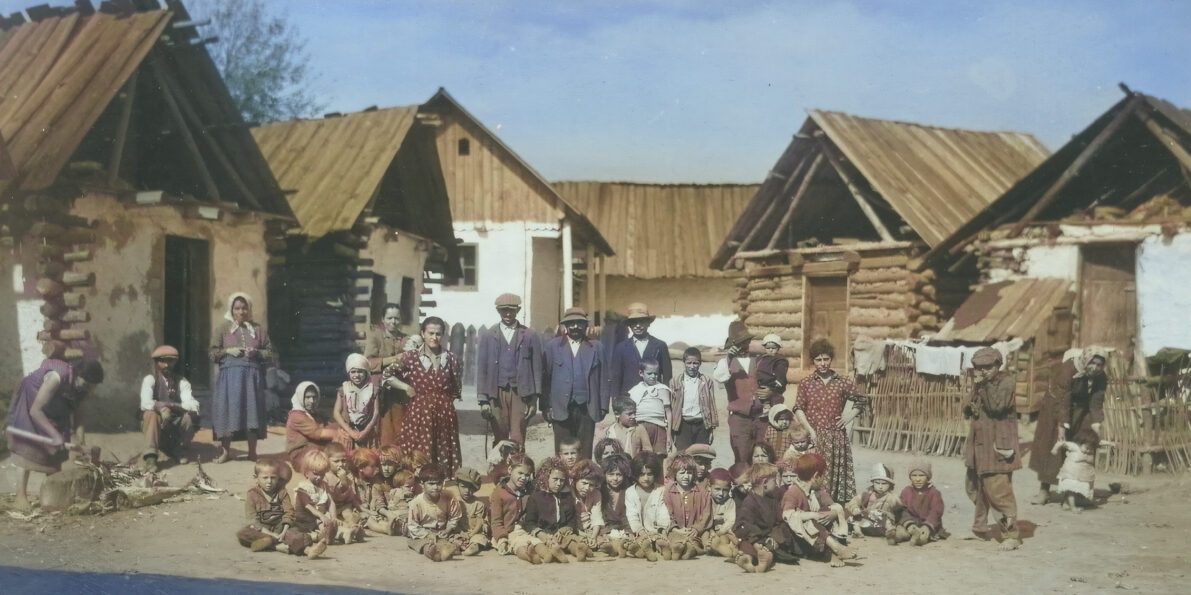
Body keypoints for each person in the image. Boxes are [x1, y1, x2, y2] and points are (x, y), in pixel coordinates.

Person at [6, 358, 104, 509]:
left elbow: (78, 414)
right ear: (77, 374)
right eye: (87, 385)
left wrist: (81, 441)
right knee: (27, 448)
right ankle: (20, 497)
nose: (89, 390)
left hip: (55, 405)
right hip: (33, 397)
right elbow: (35, 411)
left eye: (92, 387)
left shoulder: (83, 388)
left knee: (56, 450)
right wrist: (55, 436)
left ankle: (52, 495)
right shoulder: (57, 377)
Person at [386, 316, 464, 476]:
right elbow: (387, 375)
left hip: (444, 415)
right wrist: (405, 386)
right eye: (431, 333)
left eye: (438, 333)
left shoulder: (452, 359)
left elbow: (456, 388)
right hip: (418, 414)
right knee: (418, 451)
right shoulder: (410, 357)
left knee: (443, 451)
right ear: (423, 333)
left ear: (443, 335)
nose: (434, 337)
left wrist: (442, 403)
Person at [963, 347, 1023, 550]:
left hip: (997, 446)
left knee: (999, 492)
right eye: (979, 367)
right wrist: (970, 401)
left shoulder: (1006, 382)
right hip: (979, 446)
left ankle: (1011, 535)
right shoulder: (981, 383)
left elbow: (996, 407)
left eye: (987, 367)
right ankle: (980, 529)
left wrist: (984, 385)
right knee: (977, 489)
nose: (983, 371)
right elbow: (968, 409)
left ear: (998, 365)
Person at [1030, 350, 1107, 505]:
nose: (1096, 367)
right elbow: (1063, 398)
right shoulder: (1068, 369)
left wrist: (1097, 423)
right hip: (1055, 407)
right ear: (1086, 359)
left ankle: (1072, 492)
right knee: (1053, 446)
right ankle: (1044, 491)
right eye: (1093, 362)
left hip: (1080, 409)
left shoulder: (1101, 377)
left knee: (1080, 445)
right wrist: (1062, 425)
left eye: (1099, 364)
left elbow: (1097, 400)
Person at [794, 338, 863, 503]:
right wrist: (810, 430)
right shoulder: (806, 383)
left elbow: (861, 401)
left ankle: (833, 506)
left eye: (826, 359)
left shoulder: (842, 381)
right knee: (813, 472)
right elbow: (798, 408)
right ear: (813, 361)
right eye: (818, 360)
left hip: (836, 437)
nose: (823, 363)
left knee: (833, 474)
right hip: (814, 436)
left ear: (831, 359)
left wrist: (848, 417)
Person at [209, 292, 274, 463]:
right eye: (237, 308)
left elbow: (270, 353)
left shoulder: (259, 330)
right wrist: (227, 351)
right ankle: (225, 452)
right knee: (228, 412)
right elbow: (212, 353)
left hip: (252, 379)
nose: (241, 312)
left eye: (244, 308)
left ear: (249, 309)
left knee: (252, 413)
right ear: (232, 310)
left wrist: (257, 352)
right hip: (229, 379)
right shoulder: (222, 329)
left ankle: (252, 452)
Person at [477, 294, 544, 446]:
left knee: (517, 436)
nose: (507, 314)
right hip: (496, 392)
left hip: (521, 393)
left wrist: (534, 400)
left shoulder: (529, 335)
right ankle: (499, 469)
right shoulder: (488, 335)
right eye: (503, 310)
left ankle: (518, 468)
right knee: (499, 434)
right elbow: (482, 370)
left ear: (518, 310)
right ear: (498, 311)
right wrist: (483, 400)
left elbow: (537, 369)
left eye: (511, 310)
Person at [713, 321, 782, 463]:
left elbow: (775, 382)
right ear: (732, 344)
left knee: (763, 456)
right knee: (742, 457)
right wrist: (729, 358)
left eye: (746, 341)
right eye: (739, 342)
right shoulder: (724, 363)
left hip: (761, 417)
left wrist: (770, 392)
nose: (743, 345)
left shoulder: (758, 360)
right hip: (740, 418)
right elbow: (720, 377)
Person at [541, 307, 606, 459]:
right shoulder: (553, 346)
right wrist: (546, 406)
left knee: (584, 450)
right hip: (561, 407)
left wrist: (602, 406)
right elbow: (546, 379)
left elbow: (604, 378)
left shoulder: (596, 347)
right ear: (565, 325)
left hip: (587, 408)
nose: (575, 326)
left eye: (579, 323)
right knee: (563, 450)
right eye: (571, 323)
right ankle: (563, 480)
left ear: (585, 325)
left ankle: (583, 480)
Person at [781, 453, 856, 567]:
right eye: (822, 476)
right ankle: (835, 548)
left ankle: (835, 549)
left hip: (819, 535)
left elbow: (831, 504)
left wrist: (832, 513)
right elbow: (787, 515)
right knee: (805, 517)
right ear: (816, 476)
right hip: (800, 539)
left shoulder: (816, 491)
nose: (823, 479)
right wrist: (812, 515)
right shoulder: (793, 492)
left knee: (837, 509)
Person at [237, 460, 318, 557]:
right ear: (256, 478)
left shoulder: (282, 492)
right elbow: (251, 519)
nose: (269, 482)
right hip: (262, 529)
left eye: (273, 478)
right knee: (243, 533)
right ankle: (276, 546)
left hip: (280, 527)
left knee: (294, 533)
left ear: (278, 478)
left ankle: (308, 550)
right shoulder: (252, 494)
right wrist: (271, 534)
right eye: (265, 478)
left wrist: (284, 531)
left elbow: (289, 512)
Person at [139, 345, 198, 470]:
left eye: (170, 361)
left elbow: (193, 405)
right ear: (156, 363)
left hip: (174, 425)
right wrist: (160, 409)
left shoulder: (182, 381)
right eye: (162, 361)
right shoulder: (150, 379)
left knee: (189, 417)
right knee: (150, 414)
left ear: (175, 362)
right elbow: (145, 402)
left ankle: (179, 449)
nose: (166, 365)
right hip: (157, 427)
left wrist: (170, 406)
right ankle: (151, 457)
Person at [522, 456, 592, 562]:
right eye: (555, 479)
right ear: (545, 477)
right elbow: (529, 523)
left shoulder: (567, 497)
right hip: (544, 534)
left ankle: (578, 550)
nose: (559, 483)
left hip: (561, 534)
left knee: (570, 541)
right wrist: (542, 534)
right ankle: (552, 553)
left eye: (562, 480)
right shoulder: (535, 498)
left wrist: (563, 530)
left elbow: (572, 520)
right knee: (540, 544)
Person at [731, 463, 794, 573]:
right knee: (748, 547)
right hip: (753, 538)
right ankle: (748, 560)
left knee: (770, 547)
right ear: (765, 483)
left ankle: (760, 561)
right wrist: (756, 542)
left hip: (769, 538)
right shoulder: (749, 502)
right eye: (774, 480)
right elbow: (744, 525)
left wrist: (775, 538)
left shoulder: (772, 500)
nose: (776, 483)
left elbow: (780, 522)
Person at [490, 453, 552, 563]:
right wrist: (502, 538)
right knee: (519, 545)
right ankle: (530, 556)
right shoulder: (499, 493)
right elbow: (496, 521)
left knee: (537, 542)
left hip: (526, 530)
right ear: (510, 470)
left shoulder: (529, 492)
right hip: (508, 532)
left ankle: (548, 556)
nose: (523, 478)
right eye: (520, 473)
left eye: (527, 475)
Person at [363, 303, 410, 447]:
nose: (393, 322)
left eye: (396, 318)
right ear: (383, 319)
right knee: (382, 426)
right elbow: (368, 363)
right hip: (380, 388)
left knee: (399, 424)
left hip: (399, 389)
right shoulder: (376, 337)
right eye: (389, 318)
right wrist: (393, 359)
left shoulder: (405, 339)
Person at [608, 303, 672, 397]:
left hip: (654, 397)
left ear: (648, 323)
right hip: (628, 400)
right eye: (634, 322)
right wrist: (615, 399)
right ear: (629, 325)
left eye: (641, 321)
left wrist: (665, 397)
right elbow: (616, 376)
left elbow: (667, 376)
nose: (638, 325)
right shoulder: (621, 348)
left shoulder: (660, 345)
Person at [405, 462, 462, 561]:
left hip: (443, 532)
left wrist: (448, 529)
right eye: (431, 484)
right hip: (423, 533)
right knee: (419, 543)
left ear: (443, 482)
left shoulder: (449, 498)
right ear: (423, 484)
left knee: (458, 538)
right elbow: (413, 526)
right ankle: (432, 552)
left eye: (438, 483)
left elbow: (455, 517)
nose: (435, 487)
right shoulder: (416, 503)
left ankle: (449, 548)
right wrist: (428, 534)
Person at [660, 454, 711, 560]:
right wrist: (676, 529)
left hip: (695, 532)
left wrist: (696, 528)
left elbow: (706, 513)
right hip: (676, 531)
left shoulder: (702, 492)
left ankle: (691, 549)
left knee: (699, 539)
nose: (686, 476)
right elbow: (667, 514)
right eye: (682, 473)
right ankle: (681, 549)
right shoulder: (668, 492)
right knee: (674, 539)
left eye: (689, 473)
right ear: (674, 474)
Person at [669, 347, 718, 452]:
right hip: (683, 425)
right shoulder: (676, 381)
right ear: (684, 363)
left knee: (701, 456)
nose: (692, 367)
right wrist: (671, 430)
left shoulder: (706, 381)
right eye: (689, 363)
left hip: (702, 425)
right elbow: (671, 405)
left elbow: (711, 404)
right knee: (683, 456)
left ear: (700, 363)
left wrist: (711, 429)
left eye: (695, 363)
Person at [285, 382, 339, 472]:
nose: (312, 401)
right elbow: (319, 433)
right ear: (300, 397)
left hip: (316, 448)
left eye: (314, 397)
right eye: (307, 397)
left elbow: (329, 426)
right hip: (302, 455)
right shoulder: (297, 416)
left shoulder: (313, 413)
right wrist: (341, 433)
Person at [291, 450, 337, 558]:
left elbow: (331, 502)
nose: (319, 477)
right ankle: (324, 536)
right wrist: (322, 516)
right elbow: (309, 507)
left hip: (320, 517)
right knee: (320, 524)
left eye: (323, 474)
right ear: (306, 472)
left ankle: (341, 533)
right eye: (316, 474)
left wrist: (334, 518)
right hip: (306, 519)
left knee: (331, 522)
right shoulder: (303, 488)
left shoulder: (324, 485)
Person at [624, 451, 667, 561]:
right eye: (642, 474)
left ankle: (660, 547)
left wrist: (662, 531)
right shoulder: (630, 492)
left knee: (662, 541)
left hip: (657, 531)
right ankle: (644, 549)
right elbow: (632, 516)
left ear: (655, 474)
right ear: (635, 474)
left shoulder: (661, 490)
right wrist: (641, 532)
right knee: (635, 542)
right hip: (639, 532)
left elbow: (663, 514)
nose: (646, 478)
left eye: (649, 474)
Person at [844, 463, 901, 540]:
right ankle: (858, 531)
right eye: (877, 483)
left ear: (890, 484)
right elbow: (854, 501)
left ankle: (890, 531)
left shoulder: (891, 497)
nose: (880, 486)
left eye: (884, 484)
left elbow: (899, 507)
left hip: (882, 526)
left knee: (877, 513)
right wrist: (855, 508)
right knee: (852, 516)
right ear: (873, 482)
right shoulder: (867, 494)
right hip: (867, 524)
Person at [894, 461, 946, 545]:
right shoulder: (907, 491)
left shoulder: (934, 493)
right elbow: (902, 509)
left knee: (924, 534)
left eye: (922, 475)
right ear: (910, 477)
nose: (918, 479)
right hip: (911, 522)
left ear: (928, 477)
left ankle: (919, 539)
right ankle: (900, 536)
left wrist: (927, 526)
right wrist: (908, 523)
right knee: (901, 529)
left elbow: (936, 511)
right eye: (914, 475)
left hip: (927, 522)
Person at [627, 359, 672, 454]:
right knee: (640, 456)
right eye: (649, 373)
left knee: (659, 456)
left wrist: (669, 435)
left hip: (659, 427)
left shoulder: (662, 389)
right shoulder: (635, 390)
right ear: (641, 373)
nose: (653, 376)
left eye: (655, 374)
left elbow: (668, 412)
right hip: (640, 425)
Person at [1051, 428, 1098, 513]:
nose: (1088, 450)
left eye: (1090, 449)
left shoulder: (1090, 450)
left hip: (1081, 475)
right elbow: (1062, 443)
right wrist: (1055, 449)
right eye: (1086, 448)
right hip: (1070, 473)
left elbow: (1101, 443)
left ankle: (1066, 504)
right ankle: (1073, 507)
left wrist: (1110, 444)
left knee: (1073, 490)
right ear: (1080, 443)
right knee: (1071, 490)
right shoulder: (1075, 446)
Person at [571, 459, 610, 555]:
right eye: (584, 483)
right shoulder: (568, 493)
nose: (587, 488)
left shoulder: (596, 494)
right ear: (576, 479)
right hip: (574, 528)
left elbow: (597, 517)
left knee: (602, 540)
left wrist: (593, 536)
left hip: (589, 527)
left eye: (591, 485)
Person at [600, 453, 634, 556]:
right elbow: (598, 514)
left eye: (619, 475)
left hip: (623, 527)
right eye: (611, 474)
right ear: (604, 474)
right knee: (604, 541)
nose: (615, 478)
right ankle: (615, 549)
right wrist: (604, 531)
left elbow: (628, 514)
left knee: (628, 540)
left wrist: (629, 531)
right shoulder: (600, 491)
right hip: (605, 528)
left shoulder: (628, 490)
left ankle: (623, 548)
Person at [702, 468, 739, 558]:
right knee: (705, 535)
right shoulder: (706, 500)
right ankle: (708, 547)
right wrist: (711, 532)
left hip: (722, 531)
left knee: (725, 537)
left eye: (725, 490)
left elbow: (730, 521)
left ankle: (723, 548)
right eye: (717, 489)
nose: (721, 493)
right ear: (709, 487)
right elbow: (704, 520)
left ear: (730, 489)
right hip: (709, 530)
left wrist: (719, 533)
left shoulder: (729, 502)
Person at [454, 467, 490, 555]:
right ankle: (459, 545)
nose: (467, 491)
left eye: (471, 488)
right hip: (460, 531)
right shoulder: (455, 503)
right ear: (457, 485)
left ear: (475, 488)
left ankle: (473, 546)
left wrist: (472, 533)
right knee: (454, 538)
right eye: (463, 486)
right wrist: (461, 532)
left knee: (479, 539)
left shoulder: (478, 504)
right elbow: (453, 521)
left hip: (475, 532)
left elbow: (479, 521)